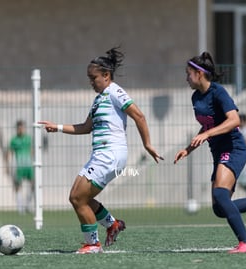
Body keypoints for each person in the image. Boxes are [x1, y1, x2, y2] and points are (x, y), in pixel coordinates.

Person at [39, 47, 163, 254]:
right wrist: (58, 127)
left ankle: (93, 244)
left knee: (78, 198)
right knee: (79, 198)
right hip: (100, 155)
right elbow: (86, 128)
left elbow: (139, 116)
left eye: (93, 77)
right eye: (89, 78)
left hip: (111, 154)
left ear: (106, 75)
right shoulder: (99, 99)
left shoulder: (115, 92)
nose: (91, 82)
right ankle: (112, 224)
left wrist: (147, 144)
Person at [174, 52, 246, 253]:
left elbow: (234, 120)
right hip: (218, 152)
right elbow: (208, 125)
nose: (186, 77)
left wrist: (207, 133)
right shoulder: (196, 97)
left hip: (234, 148)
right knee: (219, 207)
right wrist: (188, 149)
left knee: (220, 194)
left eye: (188, 73)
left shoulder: (218, 92)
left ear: (199, 73)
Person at [6, 120, 35, 214]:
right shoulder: (14, 140)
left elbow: (32, 150)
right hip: (19, 166)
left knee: (33, 184)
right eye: (19, 127)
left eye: (22, 127)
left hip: (28, 165)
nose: (21, 129)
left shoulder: (28, 138)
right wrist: (7, 165)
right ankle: (20, 206)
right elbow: (9, 152)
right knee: (18, 186)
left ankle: (28, 204)